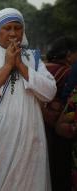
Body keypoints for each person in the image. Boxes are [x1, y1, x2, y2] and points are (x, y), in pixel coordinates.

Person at [0, 8, 56, 191]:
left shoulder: (32, 58)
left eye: (17, 28)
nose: (13, 33)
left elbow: (49, 92)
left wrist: (21, 66)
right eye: (7, 28)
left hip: (30, 139)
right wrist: (8, 66)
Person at [42, 36, 77, 191]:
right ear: (69, 54)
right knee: (62, 165)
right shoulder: (68, 71)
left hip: (42, 123)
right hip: (59, 125)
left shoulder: (42, 67)